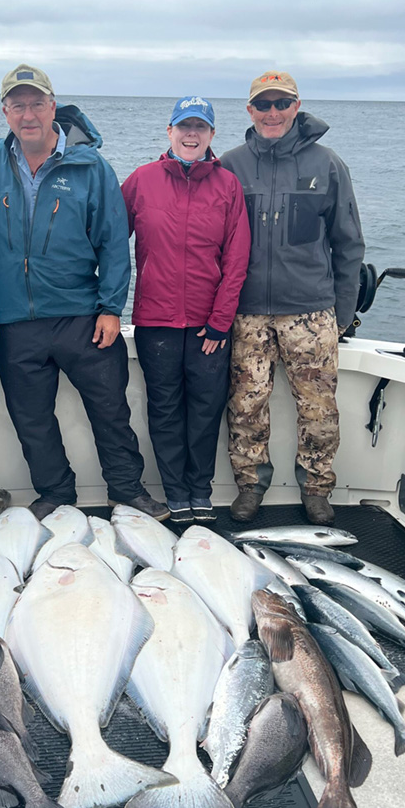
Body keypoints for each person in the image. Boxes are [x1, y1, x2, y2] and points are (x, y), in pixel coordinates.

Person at [0, 63, 168, 521]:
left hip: (82, 315)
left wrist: (112, 307)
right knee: (32, 420)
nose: (28, 113)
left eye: (37, 103)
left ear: (53, 107)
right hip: (16, 321)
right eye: (18, 105)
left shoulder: (90, 166)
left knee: (110, 411)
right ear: (5, 112)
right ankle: (56, 491)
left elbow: (115, 243)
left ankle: (127, 490)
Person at [220, 71, 365, 525]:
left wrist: (342, 314)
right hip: (247, 313)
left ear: (296, 107)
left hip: (311, 313)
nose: (273, 112)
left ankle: (318, 488)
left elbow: (349, 244)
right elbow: (214, 244)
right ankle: (250, 485)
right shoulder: (229, 165)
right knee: (245, 405)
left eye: (282, 103)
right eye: (263, 104)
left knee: (319, 408)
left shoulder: (328, 164)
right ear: (250, 110)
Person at [121, 96, 250, 524]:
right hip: (155, 323)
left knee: (205, 409)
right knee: (164, 409)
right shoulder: (141, 181)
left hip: (208, 328)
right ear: (169, 131)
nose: (191, 134)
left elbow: (236, 260)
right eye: (183, 126)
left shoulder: (227, 186)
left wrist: (219, 322)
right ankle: (175, 491)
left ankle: (200, 490)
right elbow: (108, 241)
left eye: (200, 127)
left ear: (212, 135)